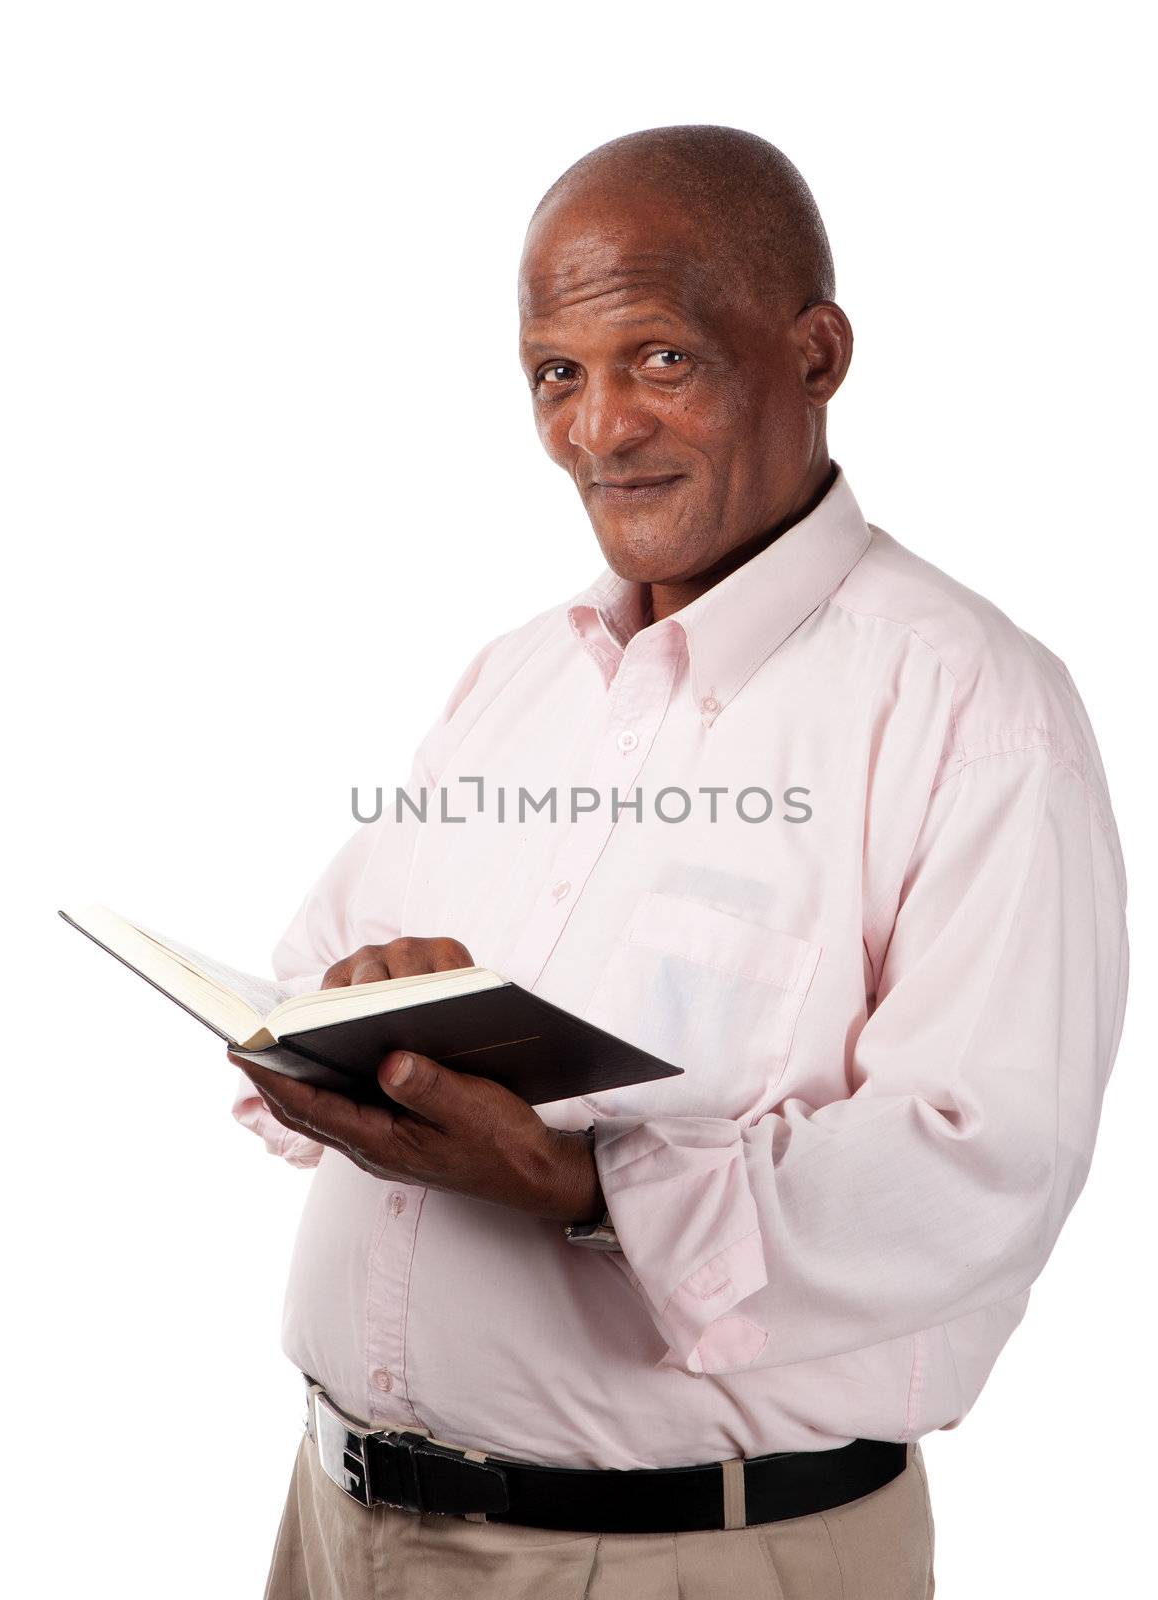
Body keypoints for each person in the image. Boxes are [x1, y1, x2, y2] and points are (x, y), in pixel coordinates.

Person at [231, 124, 1129, 1600]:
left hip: (680, 1562)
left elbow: (985, 1166)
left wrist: (586, 1181)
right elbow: (324, 943)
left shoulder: (974, 707)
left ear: (818, 353)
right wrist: (354, 1003)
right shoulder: (519, 673)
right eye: (556, 375)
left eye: (658, 358)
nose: (598, 431)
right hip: (339, 1535)